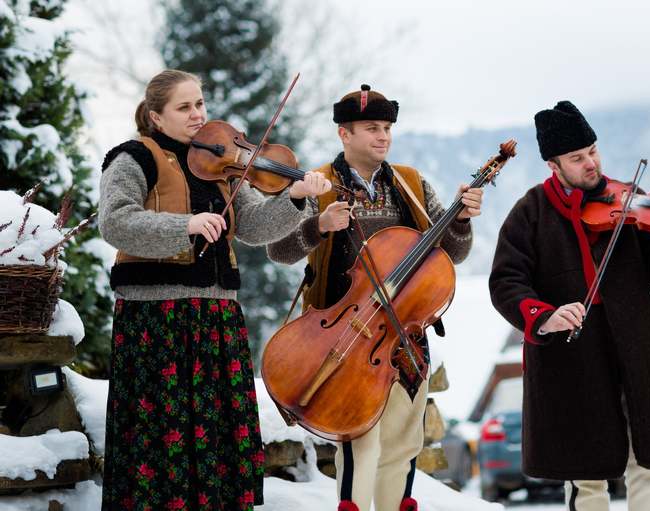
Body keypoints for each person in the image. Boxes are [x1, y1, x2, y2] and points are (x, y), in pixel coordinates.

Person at [98, 69, 331, 510]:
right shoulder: (134, 158)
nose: (197, 114)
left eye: (200, 104)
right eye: (184, 107)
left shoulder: (221, 163)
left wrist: (297, 197)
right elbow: (115, 222)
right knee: (158, 441)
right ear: (155, 116)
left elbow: (257, 227)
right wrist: (184, 225)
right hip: (156, 322)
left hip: (217, 320)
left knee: (218, 442)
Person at [266, 84, 483, 511]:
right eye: (371, 128)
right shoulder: (318, 185)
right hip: (341, 336)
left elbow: (452, 253)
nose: (383, 136)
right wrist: (319, 227)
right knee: (359, 442)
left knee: (403, 443)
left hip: (403, 336)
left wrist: (459, 219)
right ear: (344, 135)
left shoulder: (413, 184)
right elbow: (279, 250)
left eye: (386, 127)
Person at [488, 100, 650, 510]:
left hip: (639, 353)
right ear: (553, 165)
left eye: (593, 150)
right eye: (577, 157)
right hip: (572, 362)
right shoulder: (530, 213)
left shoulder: (631, 199)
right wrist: (545, 315)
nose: (591, 163)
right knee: (586, 479)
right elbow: (505, 282)